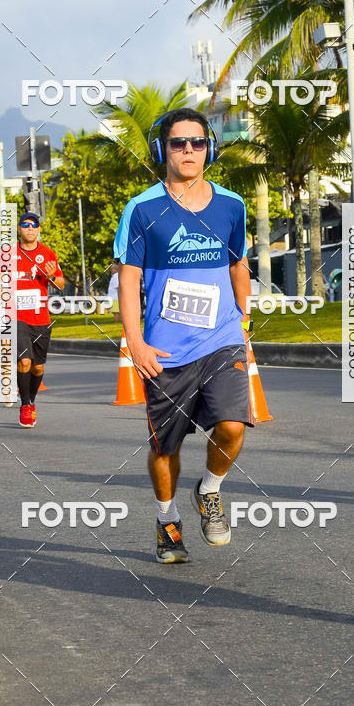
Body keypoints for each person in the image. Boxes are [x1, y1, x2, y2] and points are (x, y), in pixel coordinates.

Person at [114, 107, 253, 564]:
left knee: (232, 426)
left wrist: (245, 323)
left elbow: (238, 265)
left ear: (209, 147)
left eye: (197, 142)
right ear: (163, 150)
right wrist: (135, 342)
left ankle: (209, 490)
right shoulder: (142, 209)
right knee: (165, 447)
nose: (188, 150)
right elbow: (129, 278)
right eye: (178, 143)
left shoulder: (232, 205)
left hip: (222, 340)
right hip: (165, 349)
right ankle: (166, 518)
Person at [14, 212, 64, 427]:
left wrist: (52, 277)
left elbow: (60, 284)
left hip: (40, 318)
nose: (30, 228)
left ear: (39, 230)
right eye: (25, 225)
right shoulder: (8, 254)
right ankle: (25, 405)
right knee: (24, 361)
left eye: (34, 225)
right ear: (19, 229)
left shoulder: (48, 253)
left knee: (38, 368)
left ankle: (32, 399)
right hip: (17, 317)